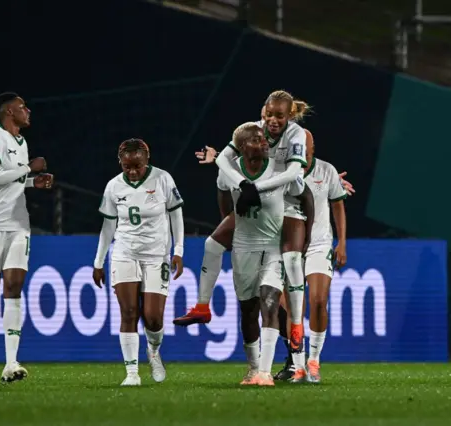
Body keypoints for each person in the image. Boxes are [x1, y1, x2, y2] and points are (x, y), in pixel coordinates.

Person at [173, 93, 354, 351]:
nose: (271, 122)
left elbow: (295, 176)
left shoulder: (296, 135)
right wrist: (244, 186)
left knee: (288, 272)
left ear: (289, 116)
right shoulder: (249, 134)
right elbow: (224, 162)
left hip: (287, 204)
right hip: (257, 204)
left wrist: (253, 189)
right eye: (268, 115)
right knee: (213, 245)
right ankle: (202, 306)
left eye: (279, 116)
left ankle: (296, 328)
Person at [217, 122, 314, 386]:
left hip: (273, 247)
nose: (262, 143)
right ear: (240, 148)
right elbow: (224, 197)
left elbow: (305, 195)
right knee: (248, 310)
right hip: (244, 249)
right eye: (255, 140)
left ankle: (265, 371)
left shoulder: (281, 169)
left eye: (264, 140)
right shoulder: (230, 170)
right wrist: (230, 224)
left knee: (270, 302)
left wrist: (306, 234)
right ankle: (253, 369)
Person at [0, 92, 53, 385]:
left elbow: (11, 179)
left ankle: (11, 362)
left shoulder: (21, 142)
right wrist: (30, 169)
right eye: (22, 107)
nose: (27, 110)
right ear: (8, 112)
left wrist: (31, 182)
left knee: (14, 286)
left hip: (17, 225)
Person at [92, 139, 185, 386]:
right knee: (129, 312)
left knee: (153, 317)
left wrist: (179, 250)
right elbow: (108, 226)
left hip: (156, 255)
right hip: (124, 253)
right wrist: (98, 261)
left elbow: (176, 215)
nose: (132, 172)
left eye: (138, 166)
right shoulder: (113, 187)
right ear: (120, 163)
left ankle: (153, 351)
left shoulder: (163, 179)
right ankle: (131, 374)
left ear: (147, 159)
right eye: (127, 167)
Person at [276, 130, 348, 383]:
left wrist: (342, 243)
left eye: (306, 146)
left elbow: (338, 205)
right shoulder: (281, 170)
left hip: (319, 244)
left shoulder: (326, 170)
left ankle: (314, 361)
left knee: (318, 301)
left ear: (313, 148)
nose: (302, 150)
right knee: (292, 308)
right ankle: (298, 365)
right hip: (290, 247)